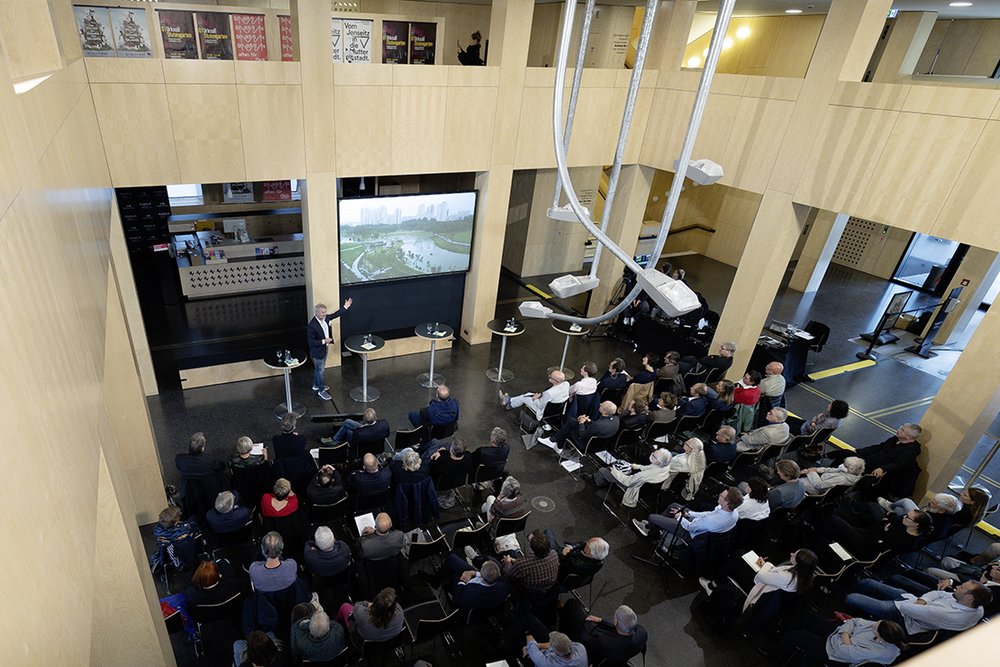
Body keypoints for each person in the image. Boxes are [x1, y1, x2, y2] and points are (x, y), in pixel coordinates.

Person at [845, 578, 991, 634]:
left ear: (969, 597)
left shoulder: (947, 614)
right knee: (868, 583)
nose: (957, 586)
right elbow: (937, 593)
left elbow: (907, 609)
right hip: (914, 603)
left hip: (904, 616)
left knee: (852, 598)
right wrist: (923, 601)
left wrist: (921, 603)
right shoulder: (977, 606)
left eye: (962, 587)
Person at [776, 616, 905, 666]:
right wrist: (846, 634)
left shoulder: (878, 653)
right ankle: (779, 636)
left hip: (833, 654)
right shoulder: (882, 627)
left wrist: (846, 634)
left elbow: (841, 651)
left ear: (882, 638)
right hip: (841, 634)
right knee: (804, 617)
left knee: (795, 636)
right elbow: (855, 621)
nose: (873, 624)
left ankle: (779, 655)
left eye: (875, 627)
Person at [632, 487, 744, 543]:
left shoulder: (713, 520)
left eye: (721, 496)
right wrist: (688, 513)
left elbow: (690, 527)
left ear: (726, 502)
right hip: (698, 525)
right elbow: (709, 513)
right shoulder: (733, 512)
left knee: (652, 517)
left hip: (689, 533)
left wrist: (680, 517)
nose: (719, 495)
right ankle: (657, 527)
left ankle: (653, 534)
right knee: (674, 505)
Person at [559, 600, 647, 665]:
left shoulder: (603, 642)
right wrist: (601, 621)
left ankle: (561, 633)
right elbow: (624, 628)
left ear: (616, 621)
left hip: (590, 650)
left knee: (572, 605)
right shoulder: (642, 634)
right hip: (616, 657)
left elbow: (584, 638)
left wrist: (586, 623)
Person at [584, 448, 673, 508]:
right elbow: (651, 468)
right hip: (643, 489)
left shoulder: (644, 475)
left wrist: (614, 471)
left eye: (654, 455)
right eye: (654, 452)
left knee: (603, 470)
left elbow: (627, 482)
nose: (651, 453)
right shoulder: (665, 466)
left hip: (632, 488)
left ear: (657, 462)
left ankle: (597, 482)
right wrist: (637, 466)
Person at [175, 432, 229, 518]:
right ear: (202, 448)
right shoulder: (210, 460)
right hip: (209, 490)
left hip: (189, 491)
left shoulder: (180, 459)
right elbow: (221, 467)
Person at [307, 299, 352, 401]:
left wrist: (346, 307)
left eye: (325, 312)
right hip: (317, 351)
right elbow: (311, 342)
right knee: (320, 371)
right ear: (316, 313)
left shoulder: (326, 318)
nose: (324, 314)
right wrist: (324, 341)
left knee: (318, 370)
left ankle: (316, 385)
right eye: (322, 313)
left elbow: (336, 314)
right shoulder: (312, 326)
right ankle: (321, 390)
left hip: (324, 349)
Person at [538, 400, 619, 452]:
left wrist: (581, 422)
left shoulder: (598, 425)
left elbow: (582, 434)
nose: (600, 404)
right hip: (600, 444)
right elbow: (599, 426)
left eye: (602, 405)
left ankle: (554, 441)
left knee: (570, 423)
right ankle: (557, 444)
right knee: (573, 422)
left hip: (585, 444)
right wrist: (589, 421)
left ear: (604, 411)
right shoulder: (616, 420)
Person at [442, 556, 510, 609]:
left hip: (464, 591)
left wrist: (462, 581)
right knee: (453, 559)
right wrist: (475, 573)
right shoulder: (504, 586)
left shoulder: (471, 592)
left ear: (482, 575)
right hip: (482, 590)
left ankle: (439, 581)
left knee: (455, 570)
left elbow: (457, 600)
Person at [500, 369, 569, 419]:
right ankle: (509, 400)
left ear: (556, 381)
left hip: (543, 411)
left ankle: (509, 404)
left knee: (524, 398)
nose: (549, 376)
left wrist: (535, 398)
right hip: (556, 410)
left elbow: (540, 406)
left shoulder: (549, 393)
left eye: (551, 377)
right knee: (528, 394)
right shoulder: (566, 384)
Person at [150, 505, 200, 573]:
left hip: (168, 555)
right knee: (194, 518)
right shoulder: (185, 529)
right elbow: (193, 528)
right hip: (186, 554)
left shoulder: (158, 532)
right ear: (176, 523)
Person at [429, 436, 475, 508]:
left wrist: (439, 453)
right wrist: (442, 452)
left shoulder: (441, 462)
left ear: (451, 449)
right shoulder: (469, 459)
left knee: (434, 444)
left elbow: (430, 470)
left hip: (439, 485)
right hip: (458, 482)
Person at [325, 407, 389, 452]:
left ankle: (335, 440)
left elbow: (354, 443)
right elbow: (387, 434)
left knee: (348, 431)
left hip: (363, 445)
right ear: (376, 417)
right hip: (376, 443)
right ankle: (336, 439)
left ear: (363, 419)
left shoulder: (359, 433)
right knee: (348, 422)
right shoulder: (384, 424)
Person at [662, 437, 707, 501]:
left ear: (691, 449)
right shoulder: (699, 460)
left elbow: (665, 468)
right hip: (679, 484)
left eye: (686, 443)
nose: (684, 442)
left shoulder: (681, 462)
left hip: (666, 479)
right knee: (672, 454)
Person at [801, 457, 865, 495]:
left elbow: (819, 486)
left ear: (851, 470)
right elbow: (830, 470)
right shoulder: (850, 473)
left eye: (845, 465)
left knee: (794, 481)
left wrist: (812, 472)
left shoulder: (842, 479)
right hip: (819, 479)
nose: (842, 465)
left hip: (816, 489)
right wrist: (816, 469)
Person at [523, 630, 587, 667]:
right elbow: (562, 644)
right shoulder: (580, 648)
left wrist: (527, 633)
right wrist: (539, 645)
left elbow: (532, 647)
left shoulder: (548, 663)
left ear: (554, 651)